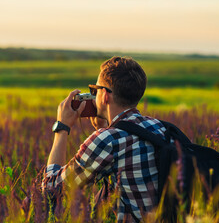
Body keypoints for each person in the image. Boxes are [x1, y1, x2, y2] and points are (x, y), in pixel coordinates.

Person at [43, 56, 170, 222]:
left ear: (105, 95)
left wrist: (62, 127)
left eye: (94, 90)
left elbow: (52, 190)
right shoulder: (160, 127)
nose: (92, 96)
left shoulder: (108, 140)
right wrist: (104, 129)